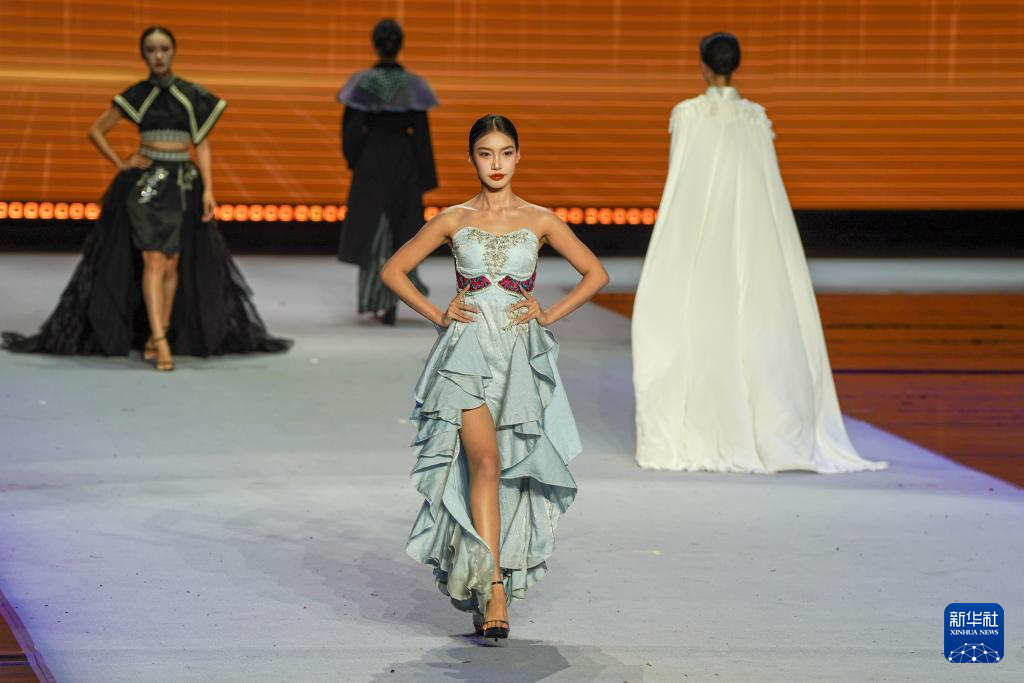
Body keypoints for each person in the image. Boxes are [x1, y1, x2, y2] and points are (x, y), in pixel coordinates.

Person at [380, 115, 608, 641]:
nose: (497, 163)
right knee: (485, 463)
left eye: (505, 152)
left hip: (519, 358)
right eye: (486, 153)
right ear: (472, 159)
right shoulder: (453, 219)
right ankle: (495, 587)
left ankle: (492, 576)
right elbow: (393, 270)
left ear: (518, 156)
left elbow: (595, 273)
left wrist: (549, 314)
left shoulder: (541, 219)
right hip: (466, 356)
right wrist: (438, 316)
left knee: (511, 470)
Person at [632, 33, 886, 473]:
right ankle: (761, 425)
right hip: (753, 231)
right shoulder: (755, 117)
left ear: (703, 66)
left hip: (700, 230)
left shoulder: (688, 114)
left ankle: (700, 426)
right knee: (755, 321)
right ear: (735, 65)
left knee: (696, 318)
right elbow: (766, 184)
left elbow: (684, 181)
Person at [2, 26, 291, 368]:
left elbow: (202, 143)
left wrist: (210, 189)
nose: (158, 55)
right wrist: (121, 163)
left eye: (164, 48)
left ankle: (160, 332)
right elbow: (96, 130)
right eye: (151, 49)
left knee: (172, 262)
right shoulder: (137, 95)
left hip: (183, 185)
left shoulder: (191, 95)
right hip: (145, 186)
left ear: (174, 52)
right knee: (153, 259)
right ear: (143, 55)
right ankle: (159, 339)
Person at [337, 19, 438, 325]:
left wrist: (356, 160)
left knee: (374, 229)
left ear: (375, 44)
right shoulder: (414, 85)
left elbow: (351, 130)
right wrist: (425, 174)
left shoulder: (363, 83)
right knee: (401, 228)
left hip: (372, 159)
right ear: (400, 45)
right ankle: (396, 296)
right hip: (404, 159)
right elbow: (422, 134)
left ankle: (378, 297)